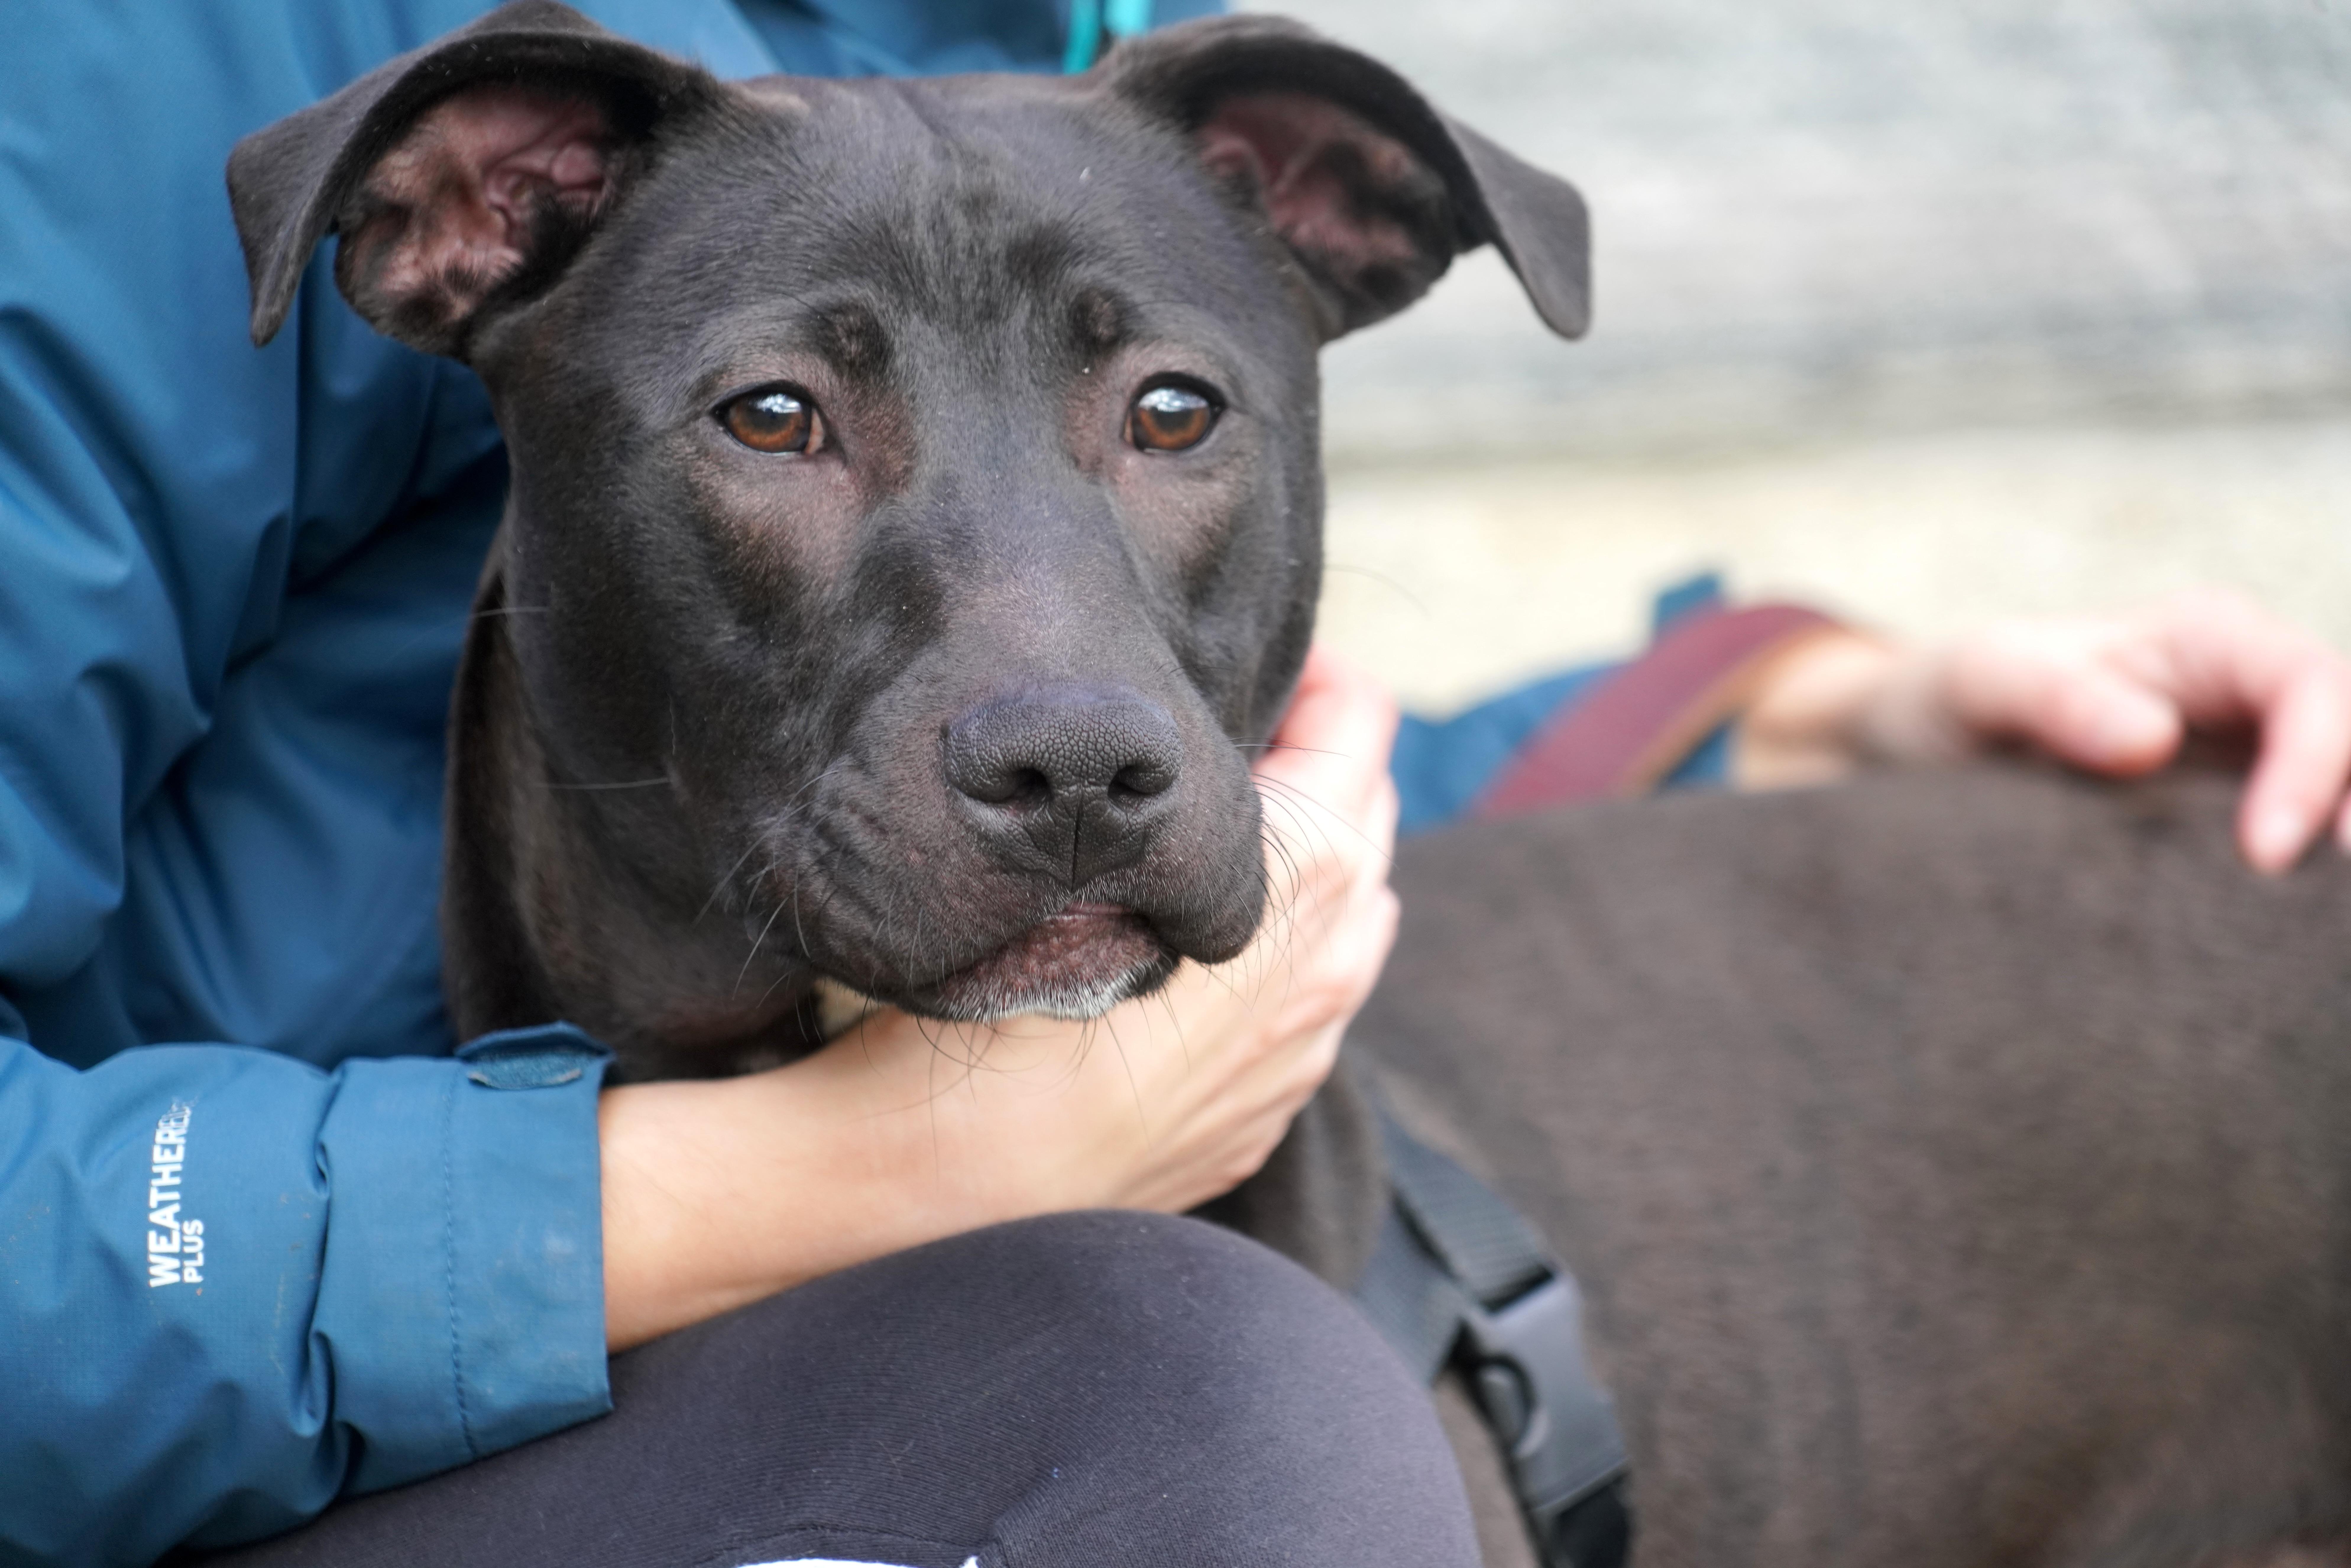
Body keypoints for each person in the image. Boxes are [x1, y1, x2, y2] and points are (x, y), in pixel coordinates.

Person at [3, 2, 2348, 1565]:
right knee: (1216, 1414)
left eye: (1173, 415)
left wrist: (1778, 703)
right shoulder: (151, 74)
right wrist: (836, 1173)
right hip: (235, 1400)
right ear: (439, 224)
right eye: (778, 421)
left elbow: (1092, 691)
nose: (1073, 713)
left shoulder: (1060, 61)